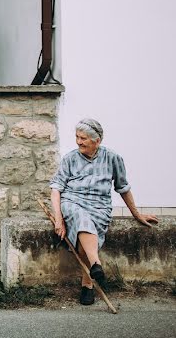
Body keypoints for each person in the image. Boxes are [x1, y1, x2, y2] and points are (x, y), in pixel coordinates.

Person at [49, 118, 158, 305]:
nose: (78, 141)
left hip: (100, 206)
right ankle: (95, 266)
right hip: (73, 202)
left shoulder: (113, 158)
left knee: (84, 242)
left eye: (83, 138)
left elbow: (123, 187)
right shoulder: (70, 159)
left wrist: (136, 214)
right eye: (77, 137)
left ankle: (87, 283)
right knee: (81, 218)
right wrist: (58, 219)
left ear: (96, 141)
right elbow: (56, 189)